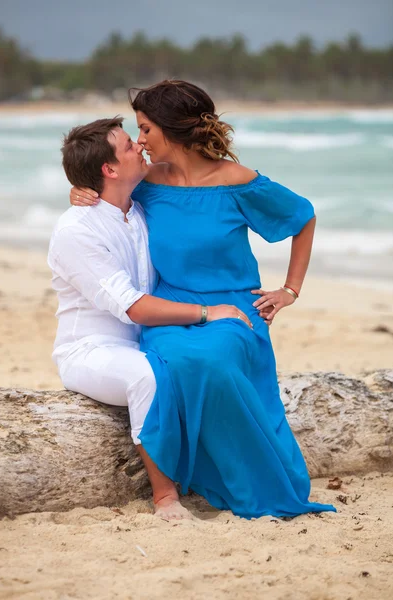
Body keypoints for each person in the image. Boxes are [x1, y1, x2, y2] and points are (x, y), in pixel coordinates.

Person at [70, 80, 336, 519]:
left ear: (171, 129)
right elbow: (106, 190)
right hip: (170, 310)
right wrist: (80, 191)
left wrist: (289, 290)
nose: (140, 142)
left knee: (214, 360)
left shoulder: (237, 182)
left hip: (235, 309)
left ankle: (255, 479)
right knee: (171, 363)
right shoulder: (147, 182)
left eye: (146, 130)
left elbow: (302, 215)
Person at [49, 116, 252, 521]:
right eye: (128, 146)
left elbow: (186, 186)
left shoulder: (140, 206)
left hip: (147, 338)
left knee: (199, 364)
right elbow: (133, 306)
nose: (139, 146)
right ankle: (165, 498)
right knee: (146, 375)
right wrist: (209, 312)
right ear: (109, 170)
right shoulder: (77, 231)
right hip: (90, 351)